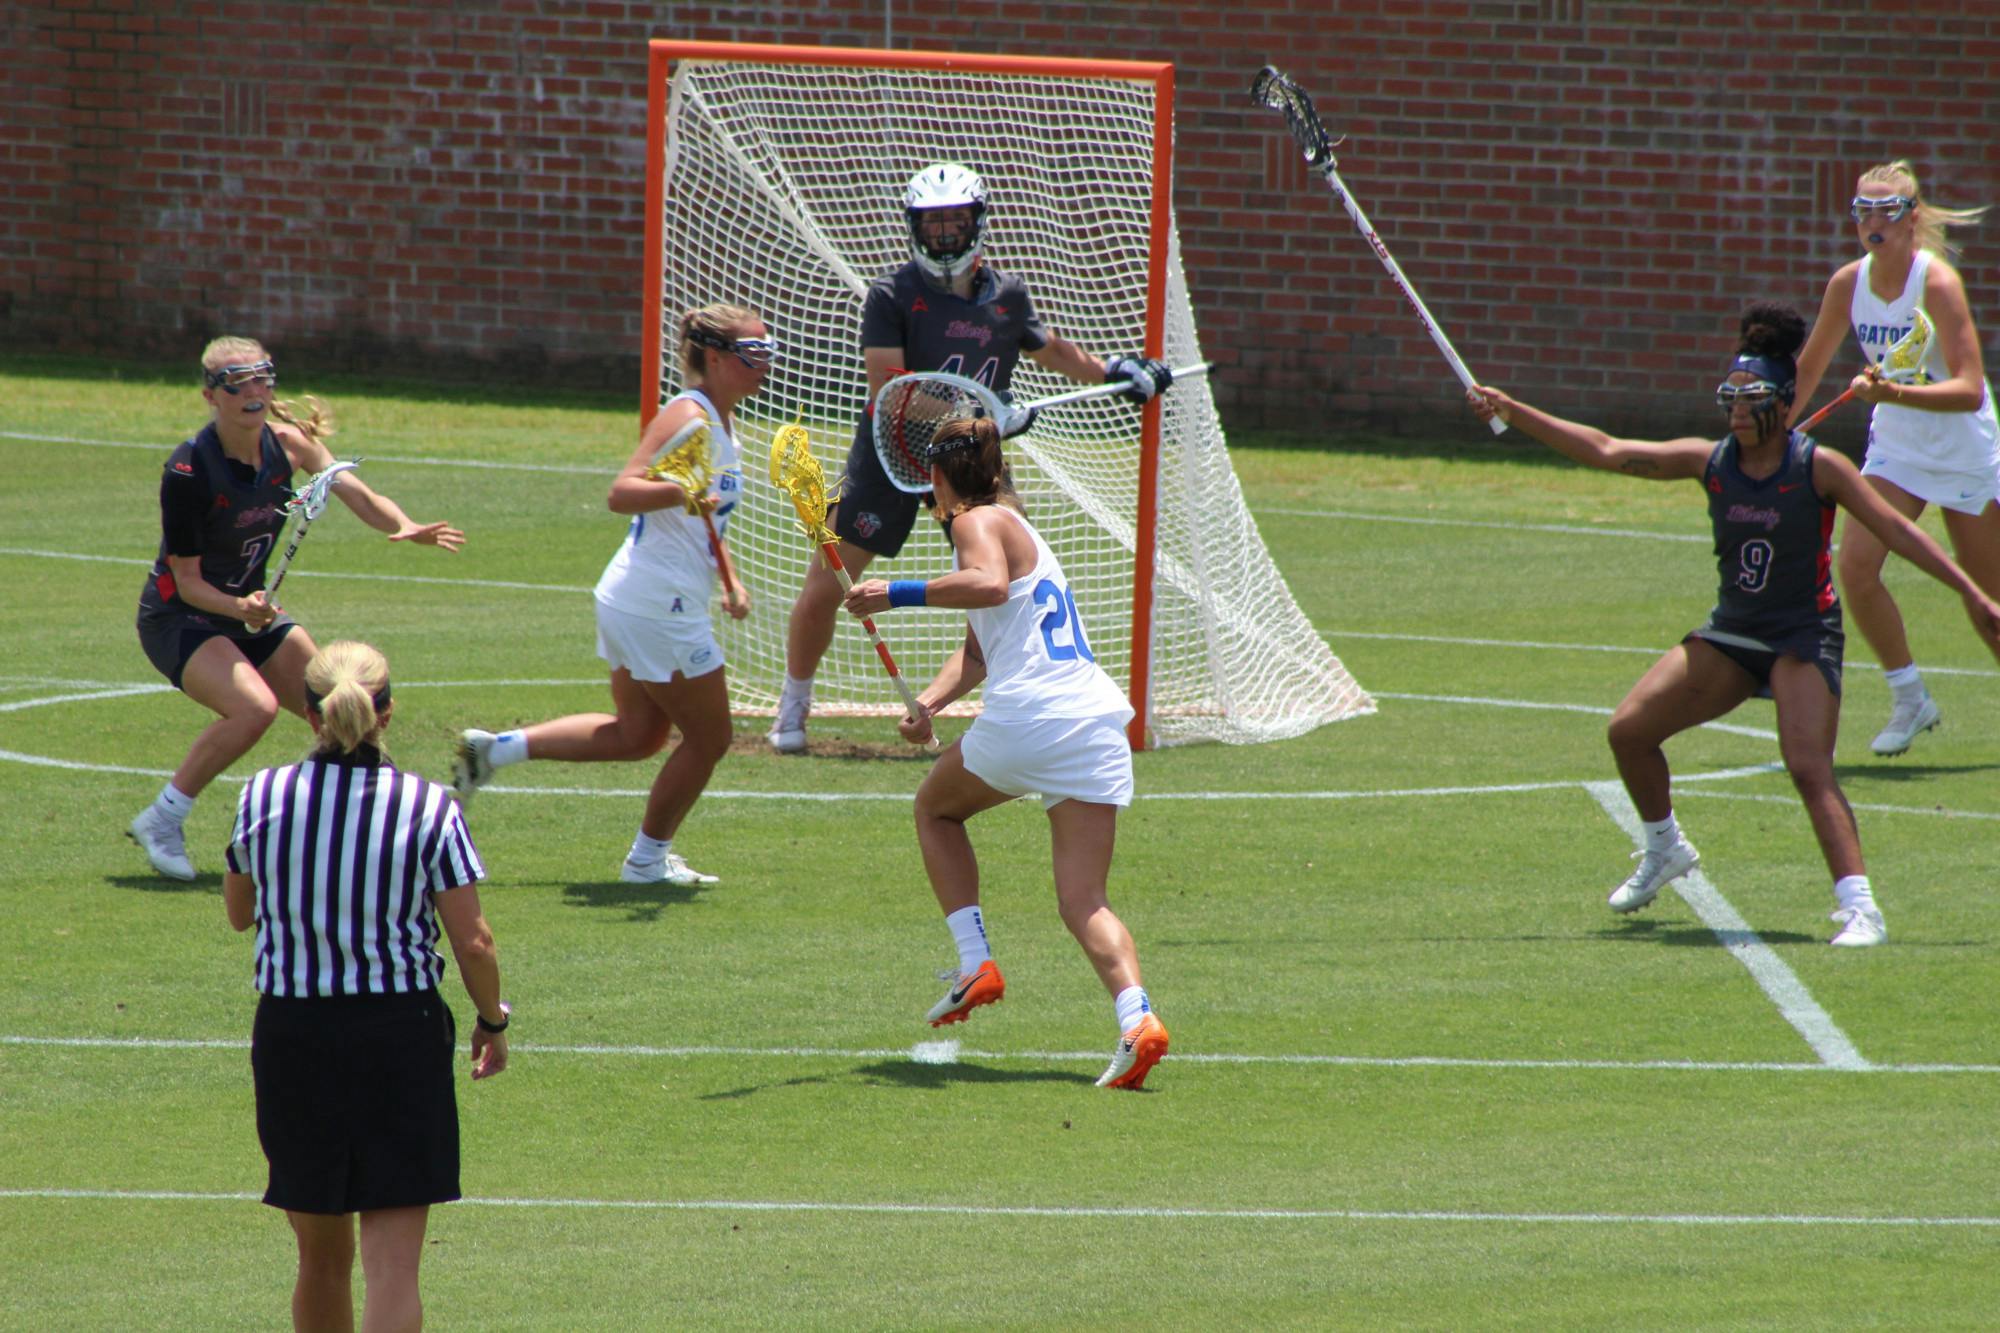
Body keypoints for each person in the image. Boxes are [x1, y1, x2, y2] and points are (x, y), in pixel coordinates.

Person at [1466, 302, 2000, 946]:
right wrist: (1513, 411)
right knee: (1629, 731)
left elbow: (1894, 530)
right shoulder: (1711, 461)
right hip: (1734, 633)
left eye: (1750, 400)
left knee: (1808, 766)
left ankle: (1861, 909)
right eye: (1731, 398)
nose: (1736, 411)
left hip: (1802, 635)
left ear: (1781, 402)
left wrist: (1972, 593)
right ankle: (1665, 849)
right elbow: (1608, 451)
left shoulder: (1817, 467)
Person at [767, 161, 1173, 753]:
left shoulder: (1005, 296)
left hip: (969, 462)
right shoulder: (893, 295)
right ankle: (792, 704)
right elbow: (888, 387)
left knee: (1009, 583)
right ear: (916, 227)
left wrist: (1114, 370)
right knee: (829, 583)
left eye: (956, 219)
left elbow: (1049, 347)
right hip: (893, 455)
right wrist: (979, 404)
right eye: (933, 222)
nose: (945, 232)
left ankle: (1020, 698)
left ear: (976, 221)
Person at [844, 415, 1169, 1087]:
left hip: (1037, 716)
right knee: (1085, 899)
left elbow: (987, 586)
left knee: (934, 808)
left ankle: (974, 962)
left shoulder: (974, 523)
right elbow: (978, 649)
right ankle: (1138, 1019)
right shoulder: (1018, 528)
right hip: (1094, 721)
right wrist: (930, 703)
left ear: (936, 478)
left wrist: (892, 591)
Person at [223, 640, 505, 1333]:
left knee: (320, 1261)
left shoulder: (263, 794)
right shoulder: (428, 807)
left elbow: (240, 913)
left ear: (307, 712)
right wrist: (491, 1020)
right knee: (392, 1266)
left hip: (293, 1036)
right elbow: (473, 940)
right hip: (398, 1036)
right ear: (388, 710)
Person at [128, 336, 464, 881]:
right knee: (254, 708)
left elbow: (357, 493)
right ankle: (163, 818)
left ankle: (378, 816)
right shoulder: (189, 471)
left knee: (338, 700)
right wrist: (240, 607)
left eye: (262, 379)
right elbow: (186, 583)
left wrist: (403, 526)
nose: (253, 392)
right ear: (211, 396)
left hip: (250, 611)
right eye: (237, 384)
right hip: (181, 617)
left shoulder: (292, 446)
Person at [451, 303, 765, 884]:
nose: (765, 364)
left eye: (770, 351)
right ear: (716, 358)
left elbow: (702, 519)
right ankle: (646, 862)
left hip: (641, 596)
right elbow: (622, 492)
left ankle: (493, 751)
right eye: (754, 353)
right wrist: (677, 492)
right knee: (711, 736)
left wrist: (731, 579)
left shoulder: (722, 423)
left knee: (638, 734)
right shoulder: (688, 416)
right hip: (656, 604)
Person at [1791, 160, 2000, 756]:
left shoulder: (1936, 283)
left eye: (1887, 210)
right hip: (1897, 450)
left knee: (1986, 603)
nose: (1873, 222)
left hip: (1962, 450)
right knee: (1854, 567)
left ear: (1912, 218)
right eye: (1863, 210)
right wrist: (1772, 429)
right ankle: (1910, 696)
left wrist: (1892, 392)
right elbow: (1807, 370)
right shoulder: (1847, 284)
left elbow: (1970, 389)